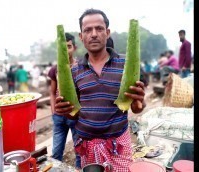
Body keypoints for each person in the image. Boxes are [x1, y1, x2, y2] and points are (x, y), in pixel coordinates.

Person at [54, 9, 146, 171]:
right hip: (87, 146)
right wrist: (64, 111)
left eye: (99, 28)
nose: (94, 34)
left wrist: (140, 102)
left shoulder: (126, 65)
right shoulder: (75, 71)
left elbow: (136, 107)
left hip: (118, 145)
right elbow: (73, 113)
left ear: (107, 32)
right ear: (81, 36)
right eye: (88, 30)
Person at [47, 33, 81, 169]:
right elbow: (52, 92)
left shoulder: (81, 67)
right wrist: (53, 111)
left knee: (79, 151)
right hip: (59, 117)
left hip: (75, 116)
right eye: (62, 47)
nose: (66, 50)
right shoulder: (55, 69)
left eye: (69, 46)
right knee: (56, 153)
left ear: (74, 48)